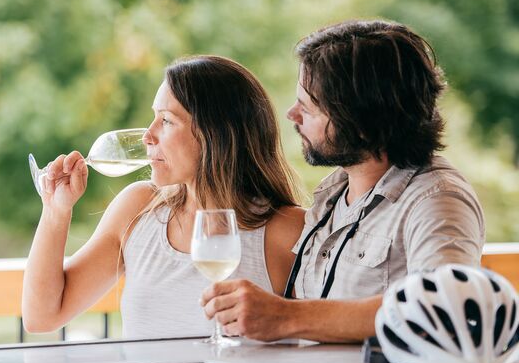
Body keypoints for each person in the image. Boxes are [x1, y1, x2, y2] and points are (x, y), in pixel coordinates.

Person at [201, 19, 485, 343]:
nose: (292, 114)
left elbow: (446, 309)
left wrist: (286, 317)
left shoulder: (436, 200)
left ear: (363, 122)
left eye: (309, 107)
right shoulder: (332, 194)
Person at [22, 55, 305, 338]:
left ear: (214, 134)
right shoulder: (137, 209)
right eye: (154, 117)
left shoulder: (287, 230)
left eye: (167, 121)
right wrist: (56, 211)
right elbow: (41, 317)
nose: (148, 135)